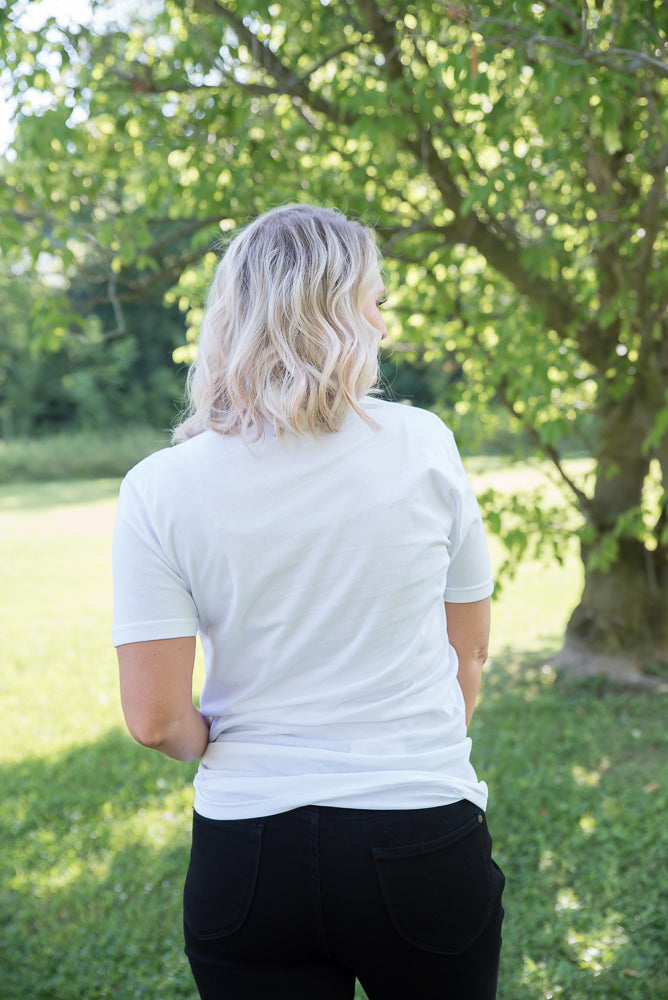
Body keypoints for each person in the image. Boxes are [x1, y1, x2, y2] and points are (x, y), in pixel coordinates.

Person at [112, 203, 504, 1000]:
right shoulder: (426, 444)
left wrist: (210, 740)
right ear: (338, 313)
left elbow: (155, 721)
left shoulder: (159, 486)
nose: (383, 326)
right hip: (422, 836)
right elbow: (470, 651)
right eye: (376, 302)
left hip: (247, 856)